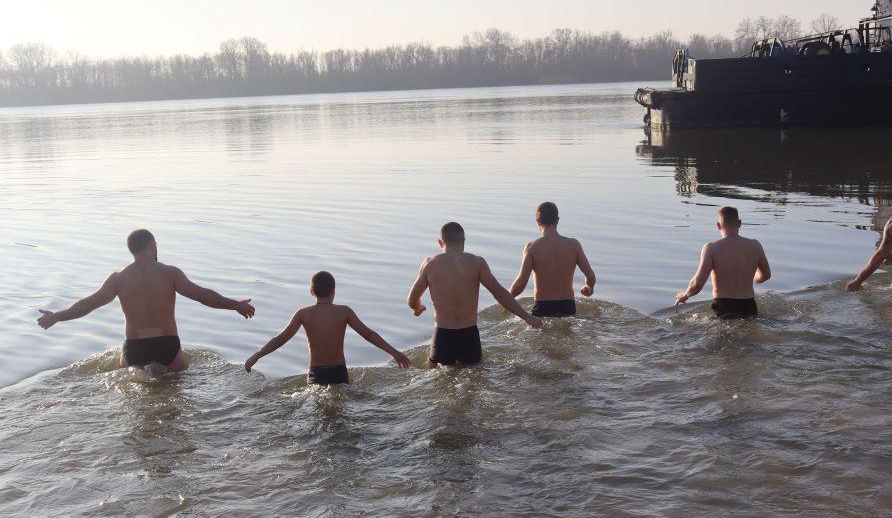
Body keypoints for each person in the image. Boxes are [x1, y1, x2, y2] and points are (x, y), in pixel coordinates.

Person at [36, 229, 254, 372]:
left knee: (136, 390)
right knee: (172, 393)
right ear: (153, 245)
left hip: (134, 348)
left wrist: (56, 316)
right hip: (167, 345)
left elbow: (88, 304)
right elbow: (203, 296)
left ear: (132, 250)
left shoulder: (119, 278)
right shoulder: (170, 273)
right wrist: (235, 305)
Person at [407, 222, 541, 367]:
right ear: (463, 241)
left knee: (435, 373)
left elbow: (412, 298)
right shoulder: (477, 263)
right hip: (469, 336)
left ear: (441, 243)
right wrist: (527, 317)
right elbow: (499, 293)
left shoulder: (430, 264)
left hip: (443, 336)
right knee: (474, 377)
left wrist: (417, 308)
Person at [244, 271, 410, 385]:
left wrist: (257, 355)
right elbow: (368, 334)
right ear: (334, 291)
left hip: (316, 373)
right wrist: (395, 353)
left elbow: (280, 339)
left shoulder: (303, 314)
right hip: (339, 372)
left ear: (311, 291)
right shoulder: (344, 312)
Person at [675, 207, 771, 319]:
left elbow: (698, 283)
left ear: (718, 225)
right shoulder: (755, 246)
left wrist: (685, 295)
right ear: (739, 223)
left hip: (724, 305)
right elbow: (766, 275)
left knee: (725, 335)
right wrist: (750, 277)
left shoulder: (711, 248)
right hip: (749, 304)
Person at [508, 202, 596, 318]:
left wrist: (507, 299)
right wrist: (589, 287)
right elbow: (590, 277)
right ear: (557, 220)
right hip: (568, 306)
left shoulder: (532, 247)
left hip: (543, 307)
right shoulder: (574, 245)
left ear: (538, 221)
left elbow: (521, 283)